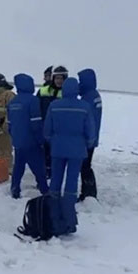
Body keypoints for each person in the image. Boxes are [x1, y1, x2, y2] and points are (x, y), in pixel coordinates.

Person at [44, 77, 95, 235]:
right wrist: (86, 144)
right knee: (71, 183)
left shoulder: (54, 106)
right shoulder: (84, 107)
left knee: (56, 180)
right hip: (77, 150)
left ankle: (53, 216)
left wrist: (54, 142)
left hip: (58, 149)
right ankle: (69, 219)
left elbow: (47, 131)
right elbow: (90, 131)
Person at [7, 73, 49, 199]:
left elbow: (9, 124)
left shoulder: (13, 102)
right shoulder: (33, 100)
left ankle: (15, 188)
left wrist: (15, 137)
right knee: (38, 167)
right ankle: (44, 190)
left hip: (18, 140)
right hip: (31, 141)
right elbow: (36, 123)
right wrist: (41, 139)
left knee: (18, 167)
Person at [37, 65, 68, 177]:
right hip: (44, 126)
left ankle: (54, 174)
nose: (59, 81)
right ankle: (45, 172)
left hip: (59, 130)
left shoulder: (68, 93)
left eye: (62, 78)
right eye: (57, 78)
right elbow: (37, 108)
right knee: (44, 152)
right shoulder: (43, 91)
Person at [77, 68, 103, 201]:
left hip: (87, 138)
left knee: (85, 166)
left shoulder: (88, 98)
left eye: (81, 81)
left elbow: (85, 120)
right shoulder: (94, 95)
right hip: (92, 138)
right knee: (86, 165)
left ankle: (89, 193)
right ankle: (88, 193)